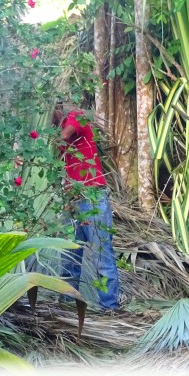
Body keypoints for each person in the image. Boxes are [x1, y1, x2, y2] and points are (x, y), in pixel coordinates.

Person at [52, 102, 119, 310]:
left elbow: (64, 135)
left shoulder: (76, 115)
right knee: (69, 258)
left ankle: (109, 308)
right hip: (71, 199)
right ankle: (67, 309)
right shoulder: (55, 130)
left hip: (92, 196)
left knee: (102, 257)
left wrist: (40, 141)